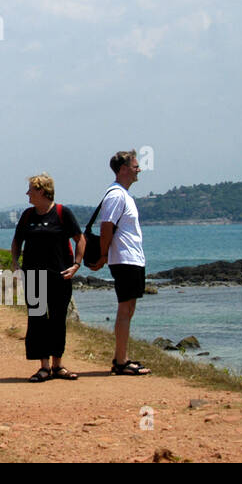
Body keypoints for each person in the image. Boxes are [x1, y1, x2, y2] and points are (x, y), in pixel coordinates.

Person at [10, 173, 85, 381]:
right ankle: (43, 367)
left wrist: (77, 265)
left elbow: (80, 240)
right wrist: (15, 263)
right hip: (34, 277)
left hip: (60, 277)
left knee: (58, 320)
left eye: (31, 190)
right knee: (37, 320)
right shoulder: (27, 216)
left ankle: (58, 365)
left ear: (41, 191)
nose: (27, 194)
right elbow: (17, 242)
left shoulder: (62, 213)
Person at [90, 150, 149, 375]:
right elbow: (106, 227)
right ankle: (121, 361)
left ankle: (121, 357)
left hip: (131, 259)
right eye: (135, 166)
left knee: (129, 308)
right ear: (123, 169)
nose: (139, 170)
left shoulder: (124, 195)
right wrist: (104, 255)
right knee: (125, 309)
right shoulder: (116, 195)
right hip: (124, 259)